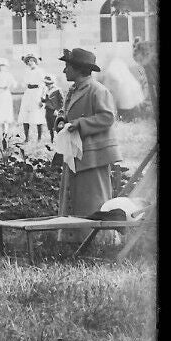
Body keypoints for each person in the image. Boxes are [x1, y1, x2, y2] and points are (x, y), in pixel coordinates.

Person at [57, 47, 119, 218]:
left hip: (94, 155)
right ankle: (77, 232)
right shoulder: (74, 90)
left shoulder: (97, 90)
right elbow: (69, 112)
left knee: (94, 199)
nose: (64, 71)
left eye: (67, 67)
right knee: (76, 197)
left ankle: (98, 233)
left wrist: (79, 124)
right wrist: (62, 121)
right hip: (76, 152)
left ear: (78, 69)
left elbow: (107, 117)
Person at [15, 52, 47, 144]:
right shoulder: (26, 71)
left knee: (38, 115)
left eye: (32, 60)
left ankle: (39, 138)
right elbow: (24, 82)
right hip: (28, 93)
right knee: (25, 115)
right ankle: (27, 138)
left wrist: (42, 97)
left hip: (37, 92)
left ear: (35, 61)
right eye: (28, 61)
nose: (30, 62)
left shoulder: (40, 71)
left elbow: (44, 85)